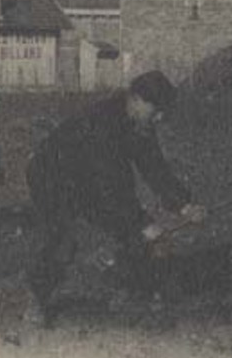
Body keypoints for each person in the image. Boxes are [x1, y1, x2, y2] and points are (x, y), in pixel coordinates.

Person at [23, 70, 206, 327]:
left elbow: (154, 167)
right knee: (62, 238)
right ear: (136, 99)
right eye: (157, 109)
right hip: (52, 177)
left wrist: (183, 205)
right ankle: (36, 301)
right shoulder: (102, 123)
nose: (160, 117)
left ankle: (131, 292)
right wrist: (140, 223)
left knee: (134, 231)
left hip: (89, 179)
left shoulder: (140, 123)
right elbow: (112, 186)